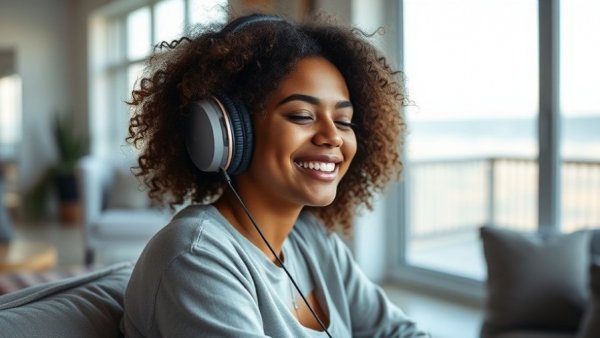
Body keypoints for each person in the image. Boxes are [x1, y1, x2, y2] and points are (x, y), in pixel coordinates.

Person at [122, 11, 429, 338]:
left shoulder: (313, 240)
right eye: (301, 115)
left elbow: (399, 332)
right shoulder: (194, 256)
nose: (333, 136)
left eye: (343, 121)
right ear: (230, 133)